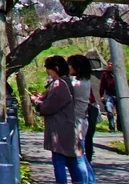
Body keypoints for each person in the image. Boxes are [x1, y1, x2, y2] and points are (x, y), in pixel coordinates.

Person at [34, 55, 84, 184]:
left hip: (60, 129)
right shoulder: (65, 82)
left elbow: (48, 107)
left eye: (48, 69)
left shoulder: (60, 84)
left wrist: (37, 102)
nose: (47, 71)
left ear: (55, 68)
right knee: (71, 160)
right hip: (67, 127)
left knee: (60, 161)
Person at [67, 54, 98, 184]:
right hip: (82, 121)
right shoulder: (85, 82)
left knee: (79, 157)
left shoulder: (76, 84)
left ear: (76, 67)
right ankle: (91, 181)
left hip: (77, 122)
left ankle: (85, 181)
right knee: (82, 156)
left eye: (70, 64)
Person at [98, 63, 118, 132]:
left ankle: (120, 127)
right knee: (109, 111)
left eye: (111, 64)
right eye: (108, 64)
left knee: (121, 113)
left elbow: (126, 83)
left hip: (119, 95)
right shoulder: (105, 74)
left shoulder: (118, 73)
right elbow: (102, 86)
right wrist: (101, 95)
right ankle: (112, 127)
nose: (109, 66)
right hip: (109, 95)